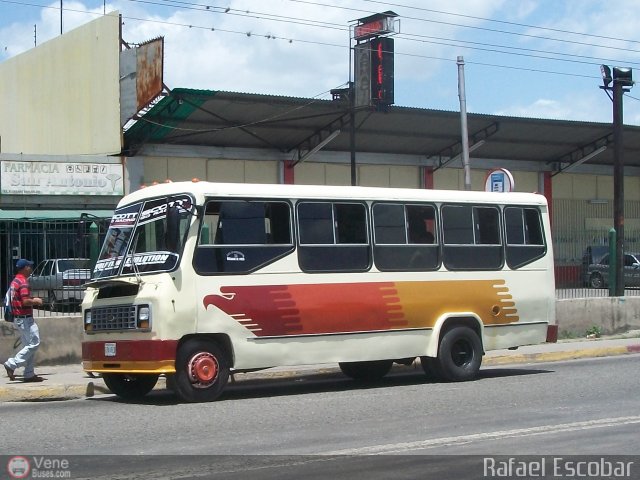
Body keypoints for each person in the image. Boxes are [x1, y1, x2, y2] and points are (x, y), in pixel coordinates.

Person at [3, 259, 45, 382]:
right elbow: (25, 301)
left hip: (19, 318)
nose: (31, 269)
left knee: (29, 346)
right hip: (25, 319)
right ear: (25, 268)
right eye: (29, 267)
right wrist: (36, 301)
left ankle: (29, 374)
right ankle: (11, 364)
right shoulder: (23, 282)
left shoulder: (15, 281)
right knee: (34, 343)